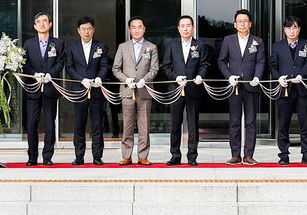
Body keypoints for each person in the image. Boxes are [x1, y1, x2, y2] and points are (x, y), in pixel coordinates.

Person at [218, 9, 265, 165]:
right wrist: (229, 76)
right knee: (234, 121)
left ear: (250, 24)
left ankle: (248, 155)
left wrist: (257, 77)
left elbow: (260, 61)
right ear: (235, 24)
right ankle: (235, 155)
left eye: (245, 21)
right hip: (235, 86)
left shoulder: (257, 41)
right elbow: (221, 61)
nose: (242, 24)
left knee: (251, 121)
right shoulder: (228, 40)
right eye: (240, 21)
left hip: (252, 85)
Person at [269, 15, 307, 165]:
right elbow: (272, 66)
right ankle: (283, 155)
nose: (291, 30)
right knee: (283, 124)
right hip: (284, 90)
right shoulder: (277, 46)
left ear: (299, 29)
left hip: (302, 89)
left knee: (305, 123)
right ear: (284, 30)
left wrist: (301, 75)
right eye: (288, 27)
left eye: (294, 27)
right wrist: (279, 77)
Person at [162, 15, 210, 166]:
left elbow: (205, 64)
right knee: (175, 123)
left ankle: (192, 156)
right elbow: (166, 66)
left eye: (188, 25)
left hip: (193, 89)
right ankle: (175, 155)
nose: (185, 28)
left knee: (193, 124)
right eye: (182, 26)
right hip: (176, 89)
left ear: (193, 27)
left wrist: (200, 76)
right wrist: (175, 77)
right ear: (178, 29)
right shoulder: (172, 45)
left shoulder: (200, 45)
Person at [112, 16, 159, 165]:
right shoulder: (123, 47)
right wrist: (126, 79)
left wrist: (144, 80)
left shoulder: (151, 47)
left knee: (144, 125)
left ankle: (143, 156)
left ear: (144, 29)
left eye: (140, 27)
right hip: (127, 91)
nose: (137, 30)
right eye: (134, 27)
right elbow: (116, 69)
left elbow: (154, 69)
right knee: (127, 124)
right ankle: (126, 155)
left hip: (144, 91)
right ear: (129, 29)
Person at [22, 11, 66, 166]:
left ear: (50, 24)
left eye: (45, 21)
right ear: (35, 26)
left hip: (50, 88)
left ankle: (47, 156)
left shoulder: (58, 43)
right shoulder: (28, 44)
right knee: (31, 124)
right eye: (39, 21)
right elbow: (24, 63)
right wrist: (34, 74)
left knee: (49, 124)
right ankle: (32, 157)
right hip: (33, 89)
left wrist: (49, 74)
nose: (42, 24)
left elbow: (61, 62)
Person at [65, 16, 109, 166]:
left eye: (89, 29)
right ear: (78, 30)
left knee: (97, 125)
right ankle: (79, 156)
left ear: (93, 30)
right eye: (83, 29)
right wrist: (81, 79)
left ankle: (97, 156)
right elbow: (69, 67)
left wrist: (99, 78)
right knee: (79, 124)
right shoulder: (71, 46)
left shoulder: (100, 46)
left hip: (96, 91)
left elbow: (104, 65)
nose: (86, 32)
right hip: (79, 90)